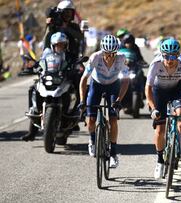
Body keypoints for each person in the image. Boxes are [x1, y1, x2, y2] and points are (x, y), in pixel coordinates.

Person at [145, 38, 181, 179]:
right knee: (160, 129)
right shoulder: (156, 64)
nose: (170, 60)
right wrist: (153, 108)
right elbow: (148, 88)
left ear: (178, 55)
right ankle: (159, 161)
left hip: (176, 90)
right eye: (167, 56)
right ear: (162, 55)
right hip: (159, 92)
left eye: (173, 56)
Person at [78, 35, 130, 168]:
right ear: (103, 51)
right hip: (96, 85)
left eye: (113, 53)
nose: (110, 56)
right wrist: (83, 100)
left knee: (113, 119)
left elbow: (125, 81)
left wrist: (119, 100)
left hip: (113, 86)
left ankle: (113, 153)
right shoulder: (95, 57)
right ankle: (92, 140)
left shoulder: (121, 58)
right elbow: (84, 80)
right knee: (90, 119)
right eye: (107, 53)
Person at [22, 32, 78, 141]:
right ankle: (32, 128)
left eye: (62, 45)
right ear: (53, 45)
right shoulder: (47, 54)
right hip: (49, 78)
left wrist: (76, 68)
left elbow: (76, 64)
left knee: (74, 88)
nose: (60, 47)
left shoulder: (70, 55)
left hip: (63, 79)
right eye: (57, 45)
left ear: (66, 45)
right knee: (34, 88)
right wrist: (34, 67)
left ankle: (74, 112)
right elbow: (41, 63)